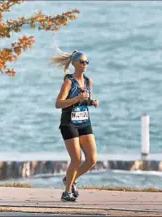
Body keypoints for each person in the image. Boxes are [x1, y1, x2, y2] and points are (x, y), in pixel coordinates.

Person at [50, 50, 99, 202]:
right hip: (69, 122)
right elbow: (58, 103)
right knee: (76, 159)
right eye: (82, 62)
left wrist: (92, 102)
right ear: (74, 64)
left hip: (84, 121)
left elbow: (85, 100)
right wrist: (76, 98)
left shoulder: (89, 81)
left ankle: (69, 180)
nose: (85, 65)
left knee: (92, 159)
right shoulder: (69, 81)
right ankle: (66, 193)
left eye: (87, 62)